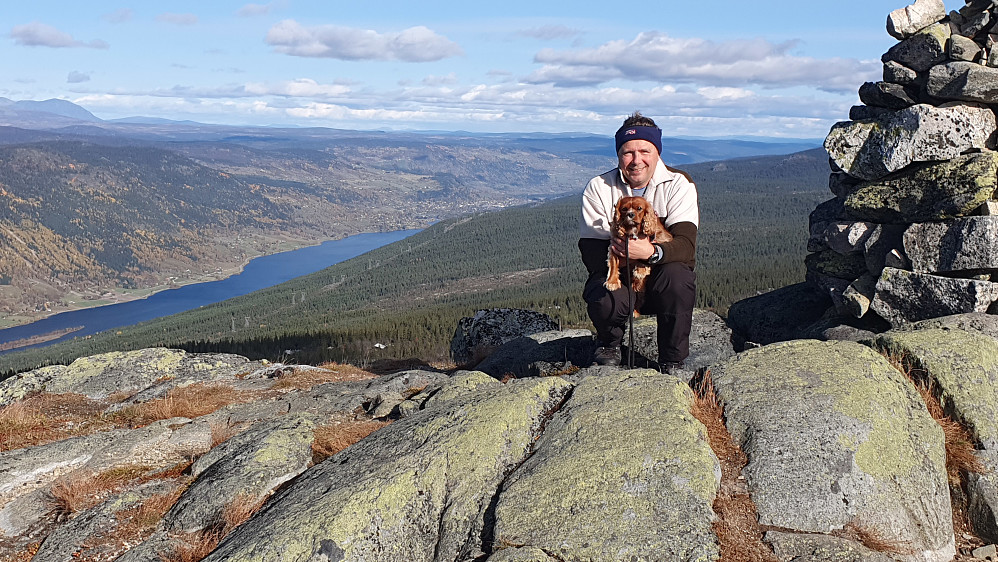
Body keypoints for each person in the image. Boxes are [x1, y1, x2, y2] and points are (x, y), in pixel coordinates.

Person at [578, 112, 698, 372]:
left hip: (660, 282)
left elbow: (686, 247)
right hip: (621, 278)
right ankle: (609, 343)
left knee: (678, 278)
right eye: (627, 152)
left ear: (657, 152)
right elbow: (590, 252)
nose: (636, 160)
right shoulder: (599, 187)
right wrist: (625, 256)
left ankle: (673, 359)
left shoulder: (678, 184)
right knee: (603, 293)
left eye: (644, 150)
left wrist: (650, 252)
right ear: (619, 155)